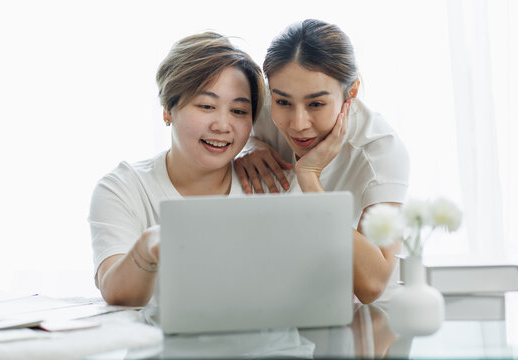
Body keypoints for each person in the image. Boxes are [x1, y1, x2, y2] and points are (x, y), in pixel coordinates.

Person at [234, 19, 410, 304]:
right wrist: (243, 146)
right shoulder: (259, 113)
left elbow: (373, 284)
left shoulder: (381, 150)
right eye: (283, 102)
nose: (298, 124)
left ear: (350, 92)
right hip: (283, 300)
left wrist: (311, 180)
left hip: (367, 316)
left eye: (316, 104)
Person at [89, 32, 266, 306]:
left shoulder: (269, 180)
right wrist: (149, 246)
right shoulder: (124, 188)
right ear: (167, 110)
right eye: (206, 106)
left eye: (239, 111)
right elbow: (116, 293)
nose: (222, 125)